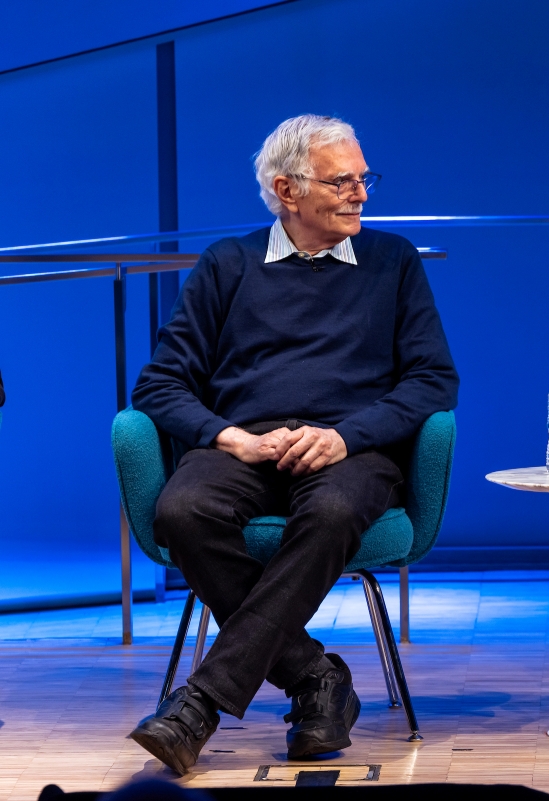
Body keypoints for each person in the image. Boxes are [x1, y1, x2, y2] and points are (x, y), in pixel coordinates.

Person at [128, 114, 459, 775]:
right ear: (287, 190)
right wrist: (233, 439)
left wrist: (345, 437)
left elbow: (433, 379)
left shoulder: (393, 261)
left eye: (364, 179)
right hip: (243, 446)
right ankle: (316, 678)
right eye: (342, 182)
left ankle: (199, 703)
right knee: (182, 511)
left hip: (350, 451)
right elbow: (158, 383)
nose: (361, 194)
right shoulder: (228, 263)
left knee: (332, 511)